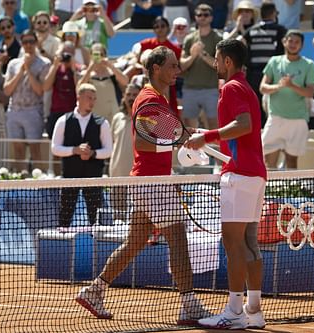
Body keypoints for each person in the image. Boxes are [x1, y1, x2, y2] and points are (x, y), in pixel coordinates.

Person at [75, 46, 210, 325]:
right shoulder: (150, 99)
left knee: (135, 243)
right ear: (157, 68)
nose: (178, 70)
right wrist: (178, 143)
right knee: (178, 240)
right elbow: (143, 143)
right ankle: (188, 304)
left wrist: (190, 137)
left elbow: (166, 134)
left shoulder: (157, 97)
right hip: (152, 182)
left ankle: (94, 291)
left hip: (148, 180)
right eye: (172, 66)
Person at [184, 39, 267, 330]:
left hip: (239, 175)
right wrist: (205, 134)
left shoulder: (231, 87)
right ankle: (254, 311)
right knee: (248, 245)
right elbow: (241, 131)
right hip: (255, 174)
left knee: (232, 244)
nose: (216, 65)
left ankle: (234, 311)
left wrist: (205, 138)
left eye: (218, 60)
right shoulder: (246, 88)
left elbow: (243, 125)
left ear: (227, 62)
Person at [51, 83, 113, 227]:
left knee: (95, 215)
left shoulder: (102, 123)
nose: (91, 102)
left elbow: (108, 150)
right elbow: (55, 148)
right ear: (78, 98)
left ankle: (97, 243)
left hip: (94, 177)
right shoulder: (63, 121)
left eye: (94, 99)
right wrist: (74, 150)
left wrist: (92, 153)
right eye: (88, 98)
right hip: (69, 175)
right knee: (65, 213)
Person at [260, 29, 314, 170]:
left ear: (302, 45)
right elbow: (263, 87)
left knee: (292, 163)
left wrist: (291, 85)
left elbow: (310, 92)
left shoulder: (308, 64)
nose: (293, 44)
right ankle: (270, 191)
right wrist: (279, 86)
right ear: (284, 42)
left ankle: (291, 190)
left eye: (297, 42)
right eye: (290, 41)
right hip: (276, 118)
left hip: (298, 120)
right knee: (269, 164)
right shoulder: (274, 61)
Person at [3, 30, 50, 171]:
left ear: (36, 43)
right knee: (18, 149)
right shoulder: (13, 64)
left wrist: (28, 70)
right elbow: (7, 90)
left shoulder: (44, 63)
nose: (28, 45)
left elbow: (40, 90)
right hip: (14, 110)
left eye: (31, 42)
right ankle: (20, 183)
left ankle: (38, 181)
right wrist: (21, 71)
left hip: (33, 110)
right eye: (25, 42)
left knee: (35, 149)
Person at [242, 1, 287, 126]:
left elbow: (241, 46)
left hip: (253, 74)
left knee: (256, 106)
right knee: (274, 105)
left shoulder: (251, 31)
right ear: (273, 13)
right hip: (273, 74)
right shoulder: (280, 30)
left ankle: (259, 131)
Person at [180, 4, 222, 129]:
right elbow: (182, 65)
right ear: (195, 17)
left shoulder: (217, 38)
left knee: (214, 126)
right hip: (190, 89)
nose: (202, 17)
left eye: (205, 15)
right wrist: (193, 56)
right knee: (189, 128)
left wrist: (203, 55)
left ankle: (215, 149)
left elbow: (219, 66)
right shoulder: (189, 38)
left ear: (211, 18)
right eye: (199, 15)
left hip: (211, 89)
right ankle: (193, 150)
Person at [109, 83, 141, 222]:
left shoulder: (146, 119)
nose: (131, 98)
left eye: (134, 95)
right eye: (128, 94)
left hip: (138, 177)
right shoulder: (117, 118)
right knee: (118, 219)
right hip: (117, 176)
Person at [43, 41, 81, 139]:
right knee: (56, 147)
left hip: (73, 113)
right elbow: (46, 87)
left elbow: (80, 89)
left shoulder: (78, 69)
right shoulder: (56, 68)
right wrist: (55, 66)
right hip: (56, 112)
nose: (66, 56)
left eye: (69, 53)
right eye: (64, 53)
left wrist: (73, 70)